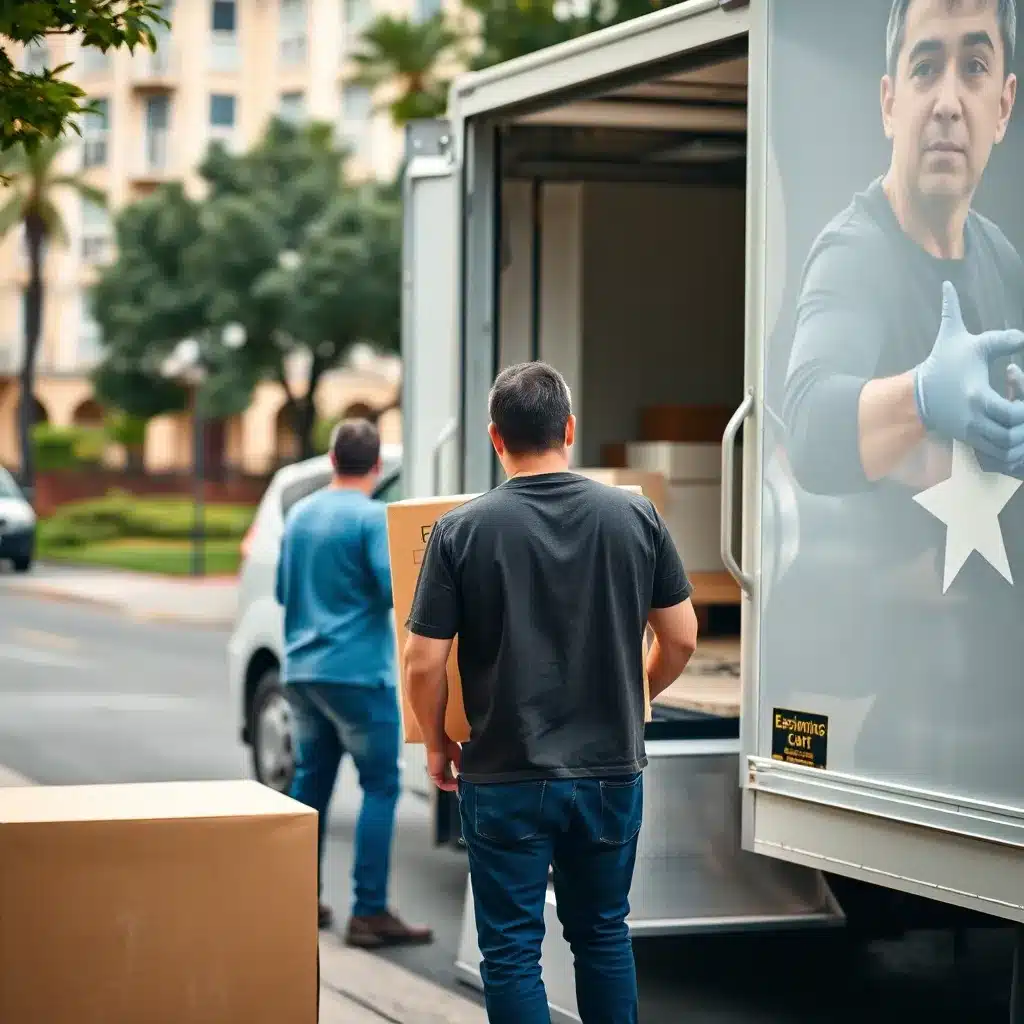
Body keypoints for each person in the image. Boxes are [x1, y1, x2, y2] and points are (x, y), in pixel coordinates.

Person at [771, 0, 1024, 794]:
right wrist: (920, 395)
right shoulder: (855, 253)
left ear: (1003, 106)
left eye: (974, 67)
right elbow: (811, 423)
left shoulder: (999, 259)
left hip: (971, 708)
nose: (948, 99)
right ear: (890, 102)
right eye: (926, 67)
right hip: (848, 700)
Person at [401, 362, 698, 1024]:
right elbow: (680, 638)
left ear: (494, 438)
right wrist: (635, 695)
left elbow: (423, 661)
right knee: (601, 935)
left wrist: (437, 743)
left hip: (504, 769)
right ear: (569, 428)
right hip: (610, 771)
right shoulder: (634, 517)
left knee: (509, 951)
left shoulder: (461, 531)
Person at [275, 418, 432, 949]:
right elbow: (393, 591)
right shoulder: (369, 519)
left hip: (301, 672)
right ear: (376, 468)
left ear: (332, 457)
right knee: (381, 786)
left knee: (309, 787)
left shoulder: (299, 515)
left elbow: (282, 592)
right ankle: (368, 913)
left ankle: (298, 900)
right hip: (357, 675)